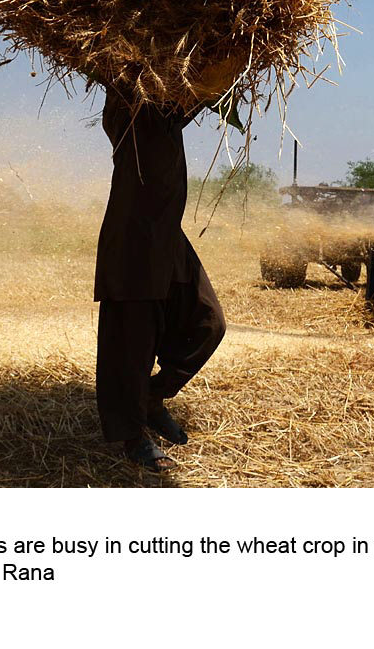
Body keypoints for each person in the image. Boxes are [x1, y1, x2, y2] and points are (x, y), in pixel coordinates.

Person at [93, 63, 238, 472]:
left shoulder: (168, 113)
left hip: (168, 237)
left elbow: (197, 94)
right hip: (134, 238)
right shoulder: (127, 111)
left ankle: (152, 397)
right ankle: (131, 433)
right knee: (130, 345)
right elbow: (182, 93)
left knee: (208, 322)